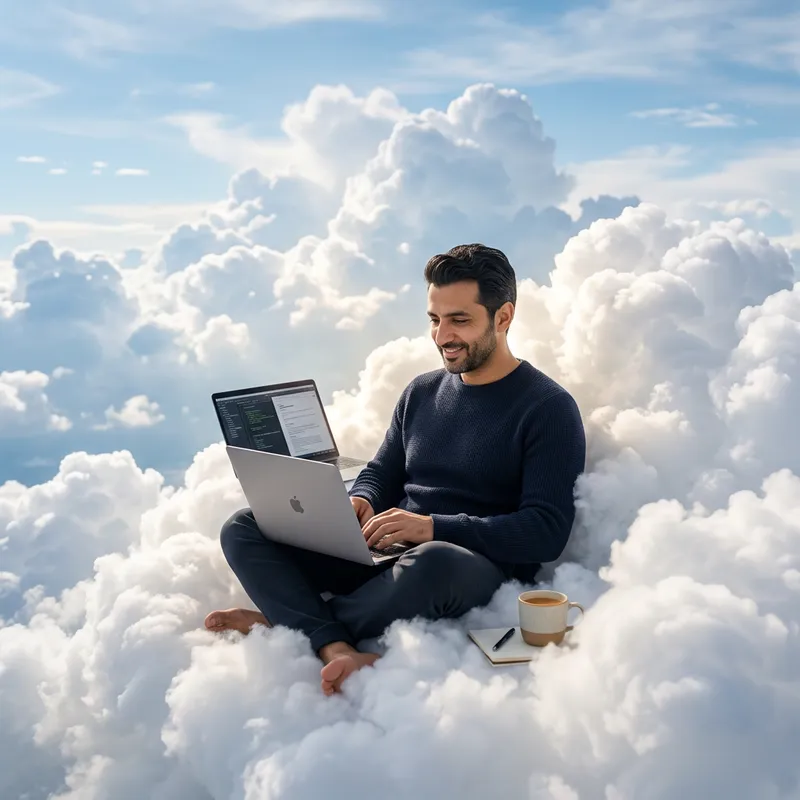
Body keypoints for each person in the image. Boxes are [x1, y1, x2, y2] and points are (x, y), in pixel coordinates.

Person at [205, 243, 586, 696]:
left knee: (434, 562)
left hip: (465, 567)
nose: (443, 335)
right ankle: (333, 642)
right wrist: (360, 499)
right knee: (245, 525)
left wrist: (432, 527)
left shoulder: (548, 408)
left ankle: (289, 624)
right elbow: (383, 470)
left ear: (503, 317)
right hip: (387, 554)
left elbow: (546, 531)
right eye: (434, 319)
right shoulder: (421, 392)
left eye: (459, 320)